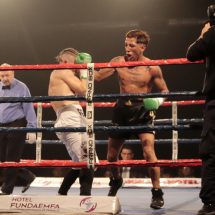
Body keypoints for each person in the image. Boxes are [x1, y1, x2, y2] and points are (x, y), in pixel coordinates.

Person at [94, 29, 169, 209]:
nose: (127, 49)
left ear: (142, 47)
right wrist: (82, 68)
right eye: (125, 44)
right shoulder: (118, 62)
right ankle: (116, 180)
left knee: (148, 150)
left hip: (143, 110)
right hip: (121, 110)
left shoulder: (153, 67)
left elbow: (165, 91)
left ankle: (157, 192)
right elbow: (96, 77)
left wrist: (157, 101)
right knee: (111, 155)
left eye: (132, 45)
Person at [48, 48, 94, 196]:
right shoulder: (63, 70)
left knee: (81, 161)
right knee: (87, 160)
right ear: (67, 61)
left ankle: (62, 193)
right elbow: (84, 89)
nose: (78, 66)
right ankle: (85, 199)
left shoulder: (61, 74)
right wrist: (86, 70)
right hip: (70, 118)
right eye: (77, 62)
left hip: (72, 117)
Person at [186, 4, 215, 215]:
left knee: (210, 151)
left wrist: (203, 34)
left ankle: (211, 203)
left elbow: (192, 54)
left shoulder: (213, 33)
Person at [0, 63, 37, 195]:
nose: (5, 78)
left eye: (7, 75)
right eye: (2, 75)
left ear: (13, 74)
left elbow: (29, 108)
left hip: (17, 124)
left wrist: (32, 128)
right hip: (2, 126)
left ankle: (6, 189)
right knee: (3, 159)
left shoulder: (22, 87)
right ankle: (27, 176)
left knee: (11, 157)